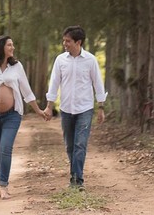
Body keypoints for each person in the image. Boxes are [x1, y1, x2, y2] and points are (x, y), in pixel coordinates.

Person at [0, 35, 49, 199]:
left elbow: (26, 91)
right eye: (10, 45)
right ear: (1, 46)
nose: (13, 48)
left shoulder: (17, 67)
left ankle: (4, 185)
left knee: (5, 148)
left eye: (13, 45)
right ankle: (1, 180)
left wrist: (38, 111)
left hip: (12, 115)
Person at [41, 25, 107, 189]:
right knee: (70, 146)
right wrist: (49, 106)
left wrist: (101, 107)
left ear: (78, 42)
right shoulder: (60, 60)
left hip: (84, 109)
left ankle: (77, 180)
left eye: (68, 41)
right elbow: (54, 83)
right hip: (66, 109)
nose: (65, 44)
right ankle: (74, 175)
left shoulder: (90, 60)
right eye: (64, 40)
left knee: (80, 145)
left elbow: (97, 83)